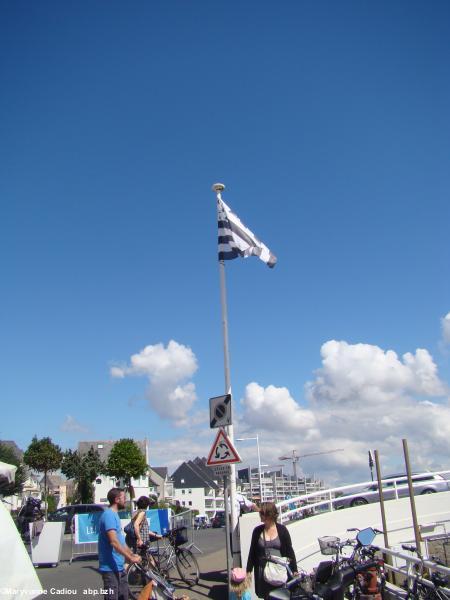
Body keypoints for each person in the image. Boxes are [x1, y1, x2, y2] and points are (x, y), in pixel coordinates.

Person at [246, 501, 297, 599]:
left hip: (279, 571)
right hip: (262, 572)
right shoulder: (257, 531)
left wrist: (294, 570)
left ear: (269, 514)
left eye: (261, 513)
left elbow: (290, 551)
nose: (259, 515)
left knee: (280, 596)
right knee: (267, 597)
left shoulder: (282, 530)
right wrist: (248, 570)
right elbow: (252, 551)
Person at [98, 487, 141, 600]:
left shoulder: (115, 515)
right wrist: (130, 558)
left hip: (119, 567)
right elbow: (114, 542)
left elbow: (121, 542)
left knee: (124, 596)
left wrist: (132, 554)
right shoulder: (109, 516)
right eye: (124, 498)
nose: (125, 500)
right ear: (117, 500)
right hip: (110, 569)